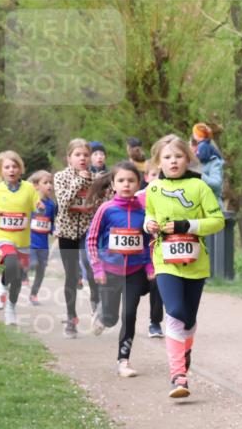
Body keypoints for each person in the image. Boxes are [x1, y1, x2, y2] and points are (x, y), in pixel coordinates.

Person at [143, 134, 225, 398]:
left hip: (195, 261)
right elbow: (149, 216)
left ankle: (184, 351)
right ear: (158, 162)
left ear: (187, 159)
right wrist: (149, 225)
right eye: (167, 157)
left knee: (188, 318)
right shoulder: (154, 189)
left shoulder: (199, 187)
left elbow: (217, 221)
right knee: (175, 311)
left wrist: (186, 225)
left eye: (178, 156)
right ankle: (178, 375)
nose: (173, 161)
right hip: (165, 260)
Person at [86, 161, 153, 377]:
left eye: (131, 180)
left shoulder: (144, 211)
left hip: (134, 272)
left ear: (138, 183)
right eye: (121, 180)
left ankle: (123, 360)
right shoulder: (106, 209)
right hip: (109, 272)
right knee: (111, 318)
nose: (126, 184)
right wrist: (97, 269)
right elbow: (92, 240)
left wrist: (150, 266)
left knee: (130, 314)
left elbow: (150, 241)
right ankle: (102, 315)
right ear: (113, 185)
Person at [0, 151, 41, 326]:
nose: (11, 170)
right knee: (11, 262)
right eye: (7, 167)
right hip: (3, 236)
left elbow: (37, 206)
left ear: (20, 168)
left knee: (16, 279)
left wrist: (40, 207)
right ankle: (0, 286)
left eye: (14, 166)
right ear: (1, 170)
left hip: (23, 240)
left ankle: (11, 309)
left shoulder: (29, 189)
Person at [54, 138, 102, 338]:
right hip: (66, 233)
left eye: (85, 155)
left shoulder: (96, 178)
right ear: (69, 158)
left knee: (90, 264)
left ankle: (95, 303)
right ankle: (71, 318)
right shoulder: (60, 177)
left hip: (87, 231)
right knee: (72, 276)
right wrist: (79, 180)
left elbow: (100, 205)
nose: (82, 158)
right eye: (78, 155)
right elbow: (64, 203)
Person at [136, 159, 165, 338]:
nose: (157, 178)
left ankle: (155, 323)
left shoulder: (168, 196)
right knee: (134, 290)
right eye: (153, 175)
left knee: (158, 284)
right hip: (138, 254)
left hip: (158, 253)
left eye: (159, 175)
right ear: (146, 177)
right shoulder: (138, 197)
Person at [26, 170, 55, 306]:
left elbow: (52, 222)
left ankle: (34, 295)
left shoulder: (52, 205)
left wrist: (54, 231)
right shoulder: (30, 202)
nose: (49, 185)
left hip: (44, 245)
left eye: (50, 183)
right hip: (30, 242)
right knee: (33, 264)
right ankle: (22, 274)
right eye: (46, 182)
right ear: (36, 185)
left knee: (41, 270)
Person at [191, 123, 225, 206]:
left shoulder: (211, 160)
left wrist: (198, 174)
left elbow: (216, 185)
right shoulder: (187, 165)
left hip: (212, 206)